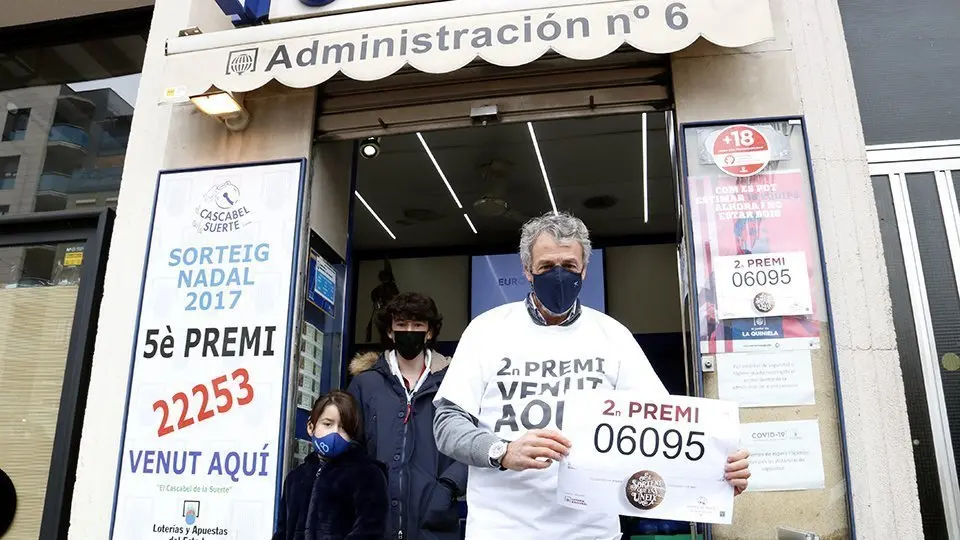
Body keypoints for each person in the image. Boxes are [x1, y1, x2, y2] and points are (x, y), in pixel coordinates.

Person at [432, 212, 752, 540]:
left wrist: (715, 474)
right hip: (502, 530)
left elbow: (664, 431)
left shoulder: (613, 336)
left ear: (584, 269)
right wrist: (502, 451)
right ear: (527, 270)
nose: (559, 276)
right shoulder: (486, 330)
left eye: (569, 266)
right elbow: (447, 425)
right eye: (546, 267)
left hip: (592, 533)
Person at [347, 292, 467, 540]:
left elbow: (473, 439)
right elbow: (349, 445)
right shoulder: (365, 384)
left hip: (435, 522)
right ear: (390, 331)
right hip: (375, 522)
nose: (409, 331)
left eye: (417, 325)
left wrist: (448, 487)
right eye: (401, 325)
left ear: (430, 332)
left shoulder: (454, 382)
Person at [273, 391, 388, 540]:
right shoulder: (295, 479)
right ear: (310, 427)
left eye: (344, 428)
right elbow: (283, 532)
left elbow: (369, 532)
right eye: (327, 424)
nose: (335, 433)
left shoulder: (368, 475)